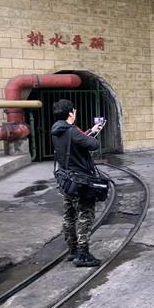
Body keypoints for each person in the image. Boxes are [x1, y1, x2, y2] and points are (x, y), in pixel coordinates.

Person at [51, 99, 103, 267]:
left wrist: (90, 131)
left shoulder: (57, 130)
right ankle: (83, 254)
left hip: (66, 180)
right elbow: (93, 145)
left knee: (69, 215)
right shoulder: (71, 131)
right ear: (70, 113)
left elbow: (74, 142)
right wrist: (93, 135)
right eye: (74, 111)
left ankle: (72, 250)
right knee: (85, 215)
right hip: (80, 181)